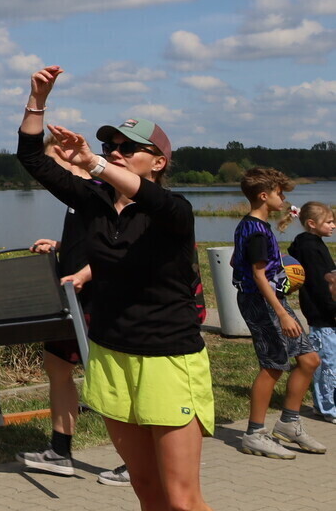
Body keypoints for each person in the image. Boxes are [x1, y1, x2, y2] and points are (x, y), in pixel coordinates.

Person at [18, 66, 213, 511]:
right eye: (111, 146)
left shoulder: (174, 210)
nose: (116, 152)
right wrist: (37, 101)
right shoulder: (96, 203)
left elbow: (153, 199)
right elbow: (32, 158)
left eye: (129, 148)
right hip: (110, 355)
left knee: (182, 499)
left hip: (168, 359)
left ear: (159, 162)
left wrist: (95, 163)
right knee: (146, 487)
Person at [16, 133, 114, 480]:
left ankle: (137, 460)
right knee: (57, 366)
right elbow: (89, 238)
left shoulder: (103, 191)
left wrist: (88, 273)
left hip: (97, 299)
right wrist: (60, 245)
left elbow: (121, 247)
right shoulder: (76, 198)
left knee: (111, 376)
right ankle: (60, 452)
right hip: (69, 298)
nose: (48, 173)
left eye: (51, 162)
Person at [232, 167, 324, 457]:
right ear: (264, 196)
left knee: (309, 360)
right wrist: (282, 313)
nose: (283, 199)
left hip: (273, 299)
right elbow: (258, 276)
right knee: (273, 365)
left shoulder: (253, 226)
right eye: (279, 193)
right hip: (261, 302)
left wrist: (279, 269)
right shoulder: (256, 231)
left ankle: (289, 424)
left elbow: (237, 260)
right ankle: (255, 434)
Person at [289, 202, 336, 422]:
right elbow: (320, 285)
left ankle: (325, 404)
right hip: (323, 316)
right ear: (312, 223)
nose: (333, 226)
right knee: (328, 364)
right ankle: (328, 408)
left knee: (330, 361)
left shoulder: (314, 244)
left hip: (326, 314)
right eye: (329, 222)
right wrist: (332, 309)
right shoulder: (310, 248)